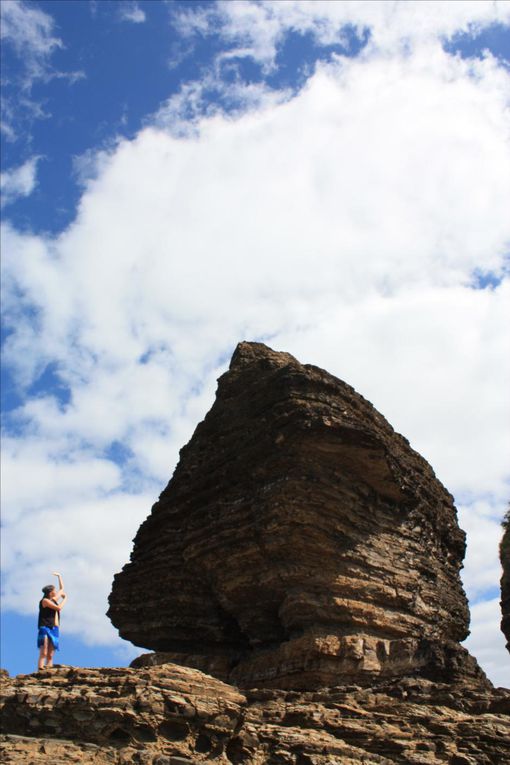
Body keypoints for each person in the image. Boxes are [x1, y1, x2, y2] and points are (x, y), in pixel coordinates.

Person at [37, 572, 67, 670]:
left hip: (54, 628)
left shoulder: (53, 599)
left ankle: (48, 669)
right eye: (54, 590)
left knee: (50, 654)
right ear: (51, 592)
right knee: (44, 651)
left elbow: (62, 589)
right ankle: (40, 668)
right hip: (45, 626)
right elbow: (58, 608)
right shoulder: (45, 601)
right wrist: (65, 599)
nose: (56, 591)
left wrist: (59, 576)